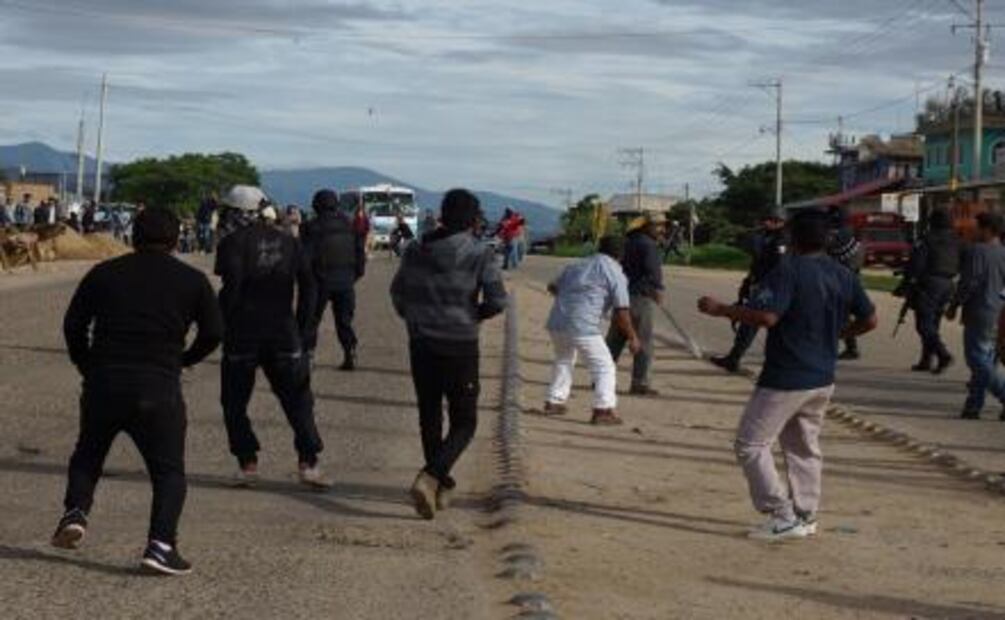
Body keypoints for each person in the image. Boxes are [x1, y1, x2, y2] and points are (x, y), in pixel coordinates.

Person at [53, 207, 223, 575]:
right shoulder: (192, 280)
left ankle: (75, 512)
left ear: (132, 236)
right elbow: (214, 332)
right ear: (177, 239)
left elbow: (73, 326)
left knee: (88, 454)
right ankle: (160, 547)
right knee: (168, 472)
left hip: (104, 383)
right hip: (157, 386)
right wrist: (183, 359)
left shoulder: (104, 274)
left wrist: (87, 365)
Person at [697, 210, 877, 541]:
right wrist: (838, 333)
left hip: (787, 375)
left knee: (750, 444)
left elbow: (767, 316)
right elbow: (870, 320)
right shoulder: (843, 273)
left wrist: (721, 309)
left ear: (793, 237)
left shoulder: (789, 270)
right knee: (803, 445)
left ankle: (781, 514)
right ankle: (805, 512)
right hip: (822, 375)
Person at [391, 188, 507, 520]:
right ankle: (431, 476)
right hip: (459, 344)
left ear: (442, 214)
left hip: (421, 343)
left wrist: (416, 320)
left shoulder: (415, 250)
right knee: (465, 421)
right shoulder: (479, 252)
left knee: (429, 414)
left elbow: (398, 294)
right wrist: (474, 315)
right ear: (473, 219)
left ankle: (440, 484)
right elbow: (497, 301)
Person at [214, 186, 329, 488]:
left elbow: (231, 286)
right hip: (284, 333)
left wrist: (222, 322)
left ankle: (248, 463)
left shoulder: (231, 244)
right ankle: (309, 463)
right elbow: (310, 286)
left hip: (242, 334)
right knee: (298, 400)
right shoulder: (289, 242)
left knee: (234, 401)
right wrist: (304, 328)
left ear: (239, 213)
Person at [543, 236, 641, 425]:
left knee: (564, 359)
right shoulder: (615, 272)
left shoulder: (577, 265)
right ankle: (603, 410)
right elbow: (622, 310)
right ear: (621, 254)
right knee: (604, 366)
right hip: (583, 324)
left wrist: (572, 298)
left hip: (558, 321)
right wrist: (632, 337)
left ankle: (555, 401)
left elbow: (552, 286)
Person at [711, 213, 787, 373]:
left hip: (771, 288)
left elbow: (779, 266)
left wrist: (763, 285)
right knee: (748, 323)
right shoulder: (766, 236)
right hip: (759, 284)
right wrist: (748, 283)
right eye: (765, 219)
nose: (765, 222)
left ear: (780, 222)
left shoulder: (783, 239)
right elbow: (757, 261)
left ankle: (736, 359)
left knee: (756, 322)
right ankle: (733, 358)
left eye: (771, 220)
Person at [948, 212, 1005, 420]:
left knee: (977, 359)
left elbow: (969, 283)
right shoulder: (1003, 252)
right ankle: (973, 405)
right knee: (987, 359)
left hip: (980, 311)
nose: (974, 231)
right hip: (999, 312)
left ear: (987, 229)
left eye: (977, 227)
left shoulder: (977, 251)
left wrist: (954, 304)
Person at [302, 189, 366, 370]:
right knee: (344, 320)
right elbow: (360, 253)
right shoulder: (350, 225)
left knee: (312, 320)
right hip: (345, 280)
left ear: (316, 205)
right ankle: (349, 351)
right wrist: (354, 275)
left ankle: (309, 356)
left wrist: (305, 280)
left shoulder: (310, 227)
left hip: (319, 281)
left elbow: (305, 258)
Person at [606, 212, 666, 396]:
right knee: (643, 341)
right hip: (640, 297)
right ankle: (640, 383)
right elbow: (653, 271)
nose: (662, 229)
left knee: (615, 341)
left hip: (621, 297)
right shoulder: (648, 245)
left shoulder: (628, 241)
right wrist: (658, 289)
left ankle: (601, 378)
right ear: (647, 226)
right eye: (658, 225)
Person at [901, 208, 961, 373]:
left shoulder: (927, 239)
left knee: (924, 324)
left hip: (929, 284)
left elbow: (916, 265)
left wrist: (906, 284)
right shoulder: (957, 240)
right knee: (933, 323)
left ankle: (943, 354)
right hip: (948, 284)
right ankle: (926, 360)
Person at [826, 206, 865, 360]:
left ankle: (845, 347)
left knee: (835, 314)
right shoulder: (855, 233)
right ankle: (851, 347)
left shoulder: (836, 235)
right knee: (844, 314)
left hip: (839, 278)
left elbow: (825, 251)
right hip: (853, 275)